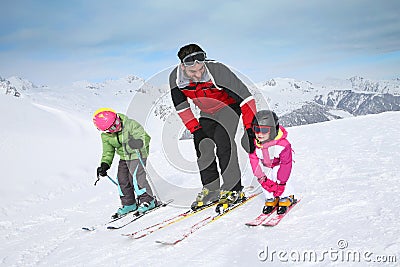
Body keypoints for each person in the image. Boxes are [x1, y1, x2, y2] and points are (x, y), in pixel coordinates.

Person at [169, 43, 257, 210]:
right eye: (192, 72)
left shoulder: (217, 70)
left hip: (228, 107)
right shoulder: (176, 78)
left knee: (224, 143)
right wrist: (195, 129)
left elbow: (246, 98)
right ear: (182, 67)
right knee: (203, 146)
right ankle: (211, 189)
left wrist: (250, 129)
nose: (198, 74)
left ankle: (233, 189)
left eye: (201, 69)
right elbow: (182, 107)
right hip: (207, 112)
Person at [93, 108, 156, 217]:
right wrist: (105, 164)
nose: (117, 126)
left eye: (117, 122)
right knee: (122, 179)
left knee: (136, 177)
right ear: (106, 131)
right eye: (113, 127)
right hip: (124, 157)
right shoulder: (106, 136)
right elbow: (108, 151)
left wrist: (138, 142)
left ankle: (148, 200)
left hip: (138, 153)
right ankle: (129, 203)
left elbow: (145, 137)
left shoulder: (130, 124)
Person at [247, 110, 295, 214]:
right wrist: (261, 178)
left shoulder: (282, 145)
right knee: (266, 179)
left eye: (264, 130)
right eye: (256, 129)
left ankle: (284, 198)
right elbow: (254, 161)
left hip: (279, 165)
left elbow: (286, 165)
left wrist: (281, 183)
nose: (259, 134)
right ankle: (270, 199)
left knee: (276, 174)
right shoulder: (254, 144)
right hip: (266, 166)